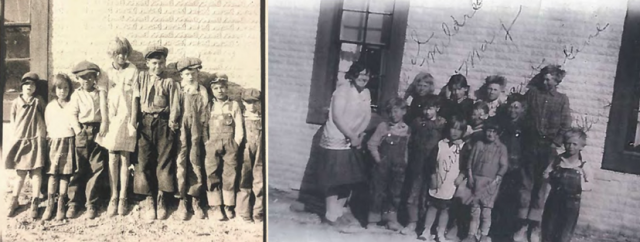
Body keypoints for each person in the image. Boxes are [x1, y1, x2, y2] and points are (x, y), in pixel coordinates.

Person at [515, 65, 572, 242]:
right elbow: (522, 116)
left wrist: (555, 144)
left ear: (557, 81)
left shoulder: (562, 100)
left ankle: (535, 227)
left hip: (548, 148)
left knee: (541, 188)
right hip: (530, 146)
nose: (545, 82)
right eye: (544, 78)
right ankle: (522, 226)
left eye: (549, 79)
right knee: (525, 186)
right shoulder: (532, 94)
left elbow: (565, 125)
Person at [317, 62, 372, 227]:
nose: (364, 78)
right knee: (335, 179)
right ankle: (330, 215)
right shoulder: (342, 91)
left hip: (353, 140)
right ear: (353, 74)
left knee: (349, 179)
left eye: (367, 75)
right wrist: (351, 136)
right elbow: (338, 117)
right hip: (337, 138)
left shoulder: (366, 92)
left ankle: (338, 212)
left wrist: (359, 136)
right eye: (361, 74)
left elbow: (367, 116)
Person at [133, 45, 180, 220]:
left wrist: (172, 125)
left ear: (165, 63)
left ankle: (162, 198)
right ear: (147, 63)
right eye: (154, 63)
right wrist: (135, 122)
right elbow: (135, 101)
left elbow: (175, 105)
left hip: (163, 123)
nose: (157, 67)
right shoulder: (142, 77)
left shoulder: (169, 82)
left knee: (164, 161)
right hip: (145, 122)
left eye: (160, 63)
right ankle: (148, 198)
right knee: (143, 160)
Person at [100, 36, 139, 217]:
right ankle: (113, 196)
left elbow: (135, 98)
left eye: (124, 53)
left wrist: (133, 121)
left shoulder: (133, 71)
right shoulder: (106, 73)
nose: (121, 57)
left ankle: (123, 196)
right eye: (118, 54)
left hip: (127, 118)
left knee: (125, 159)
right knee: (112, 158)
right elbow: (103, 98)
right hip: (112, 119)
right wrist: (105, 120)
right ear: (112, 55)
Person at [68, 61, 110, 219]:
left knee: (97, 167)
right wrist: (79, 131)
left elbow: (104, 111)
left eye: (90, 77)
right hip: (82, 131)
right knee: (79, 167)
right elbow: (72, 114)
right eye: (83, 78)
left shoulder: (100, 93)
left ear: (95, 78)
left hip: (97, 130)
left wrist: (102, 128)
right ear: (78, 79)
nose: (87, 80)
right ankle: (73, 202)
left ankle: (91, 202)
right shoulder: (76, 95)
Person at [417, 115, 468, 242]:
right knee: (432, 206)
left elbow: (466, 165)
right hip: (438, 180)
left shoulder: (463, 147)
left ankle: (440, 231)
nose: (455, 132)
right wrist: (433, 177)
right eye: (453, 128)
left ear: (463, 132)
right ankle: (427, 230)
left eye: (458, 130)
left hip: (452, 183)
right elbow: (431, 163)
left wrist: (461, 176)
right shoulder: (440, 144)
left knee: (445, 209)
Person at [401, 95, 446, 235]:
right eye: (424, 109)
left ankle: (426, 224)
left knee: (430, 195)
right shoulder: (417, 122)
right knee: (413, 193)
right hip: (417, 163)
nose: (426, 112)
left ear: (437, 108)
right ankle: (412, 222)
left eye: (430, 109)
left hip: (434, 165)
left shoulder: (442, 124)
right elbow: (409, 141)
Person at [5, 72, 47, 219]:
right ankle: (15, 199)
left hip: (36, 140)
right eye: (27, 84)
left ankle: (35, 200)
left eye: (33, 84)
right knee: (20, 173)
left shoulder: (39, 101)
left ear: (36, 87)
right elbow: (13, 120)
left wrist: (42, 134)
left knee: (36, 172)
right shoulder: (16, 102)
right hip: (22, 140)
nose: (30, 87)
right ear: (22, 87)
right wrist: (16, 138)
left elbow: (44, 116)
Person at [367, 97, 411, 231]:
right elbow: (371, 144)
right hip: (382, 167)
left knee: (395, 193)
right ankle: (372, 221)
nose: (393, 115)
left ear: (404, 112)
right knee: (378, 192)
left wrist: (405, 162)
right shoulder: (383, 126)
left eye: (397, 111)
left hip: (398, 168)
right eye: (391, 112)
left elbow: (407, 149)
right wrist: (378, 159)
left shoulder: (407, 129)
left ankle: (391, 220)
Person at [541, 128, 592, 242]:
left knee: (565, 231)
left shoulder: (583, 164)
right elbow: (545, 173)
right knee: (549, 227)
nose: (571, 147)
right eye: (568, 143)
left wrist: (579, 185)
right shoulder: (558, 160)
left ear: (582, 146)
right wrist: (550, 178)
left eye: (575, 144)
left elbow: (590, 183)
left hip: (571, 202)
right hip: (554, 199)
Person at [205, 74, 244, 221]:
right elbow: (204, 125)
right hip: (212, 144)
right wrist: (207, 142)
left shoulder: (233, 105)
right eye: (216, 88)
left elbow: (239, 126)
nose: (219, 90)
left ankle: (228, 205)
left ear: (226, 88)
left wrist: (236, 143)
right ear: (212, 90)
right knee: (212, 173)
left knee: (230, 174)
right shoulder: (209, 105)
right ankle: (216, 206)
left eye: (222, 87)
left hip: (229, 144)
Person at [462, 119, 508, 242]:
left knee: (486, 211)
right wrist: (470, 176)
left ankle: (483, 235)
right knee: (474, 210)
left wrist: (496, 179)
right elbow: (470, 162)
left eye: (494, 132)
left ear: (498, 134)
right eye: (489, 131)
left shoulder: (501, 148)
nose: (491, 134)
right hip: (476, 181)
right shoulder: (479, 144)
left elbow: (504, 166)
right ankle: (471, 235)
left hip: (490, 183)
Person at [175, 57, 209, 220]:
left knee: (195, 161)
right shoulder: (178, 90)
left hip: (196, 130)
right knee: (180, 162)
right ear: (181, 75)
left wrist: (204, 133)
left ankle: (195, 198)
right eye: (187, 74)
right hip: (180, 131)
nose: (190, 77)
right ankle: (182, 200)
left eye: (193, 73)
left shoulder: (201, 90)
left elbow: (204, 114)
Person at [492, 93, 527, 238]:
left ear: (522, 109)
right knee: (496, 198)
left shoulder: (525, 127)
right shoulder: (502, 124)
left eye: (516, 107)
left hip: (516, 167)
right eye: (511, 107)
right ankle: (493, 231)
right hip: (500, 165)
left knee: (511, 200)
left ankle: (507, 233)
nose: (513, 110)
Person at [42, 74, 76, 220]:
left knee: (65, 174)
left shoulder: (72, 105)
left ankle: (61, 204)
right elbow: (48, 124)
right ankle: (50, 205)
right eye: (59, 88)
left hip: (68, 141)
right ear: (54, 90)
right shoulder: (50, 107)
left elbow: (74, 123)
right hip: (54, 142)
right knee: (53, 174)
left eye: (66, 88)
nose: (63, 91)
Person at [237, 88, 265, 223]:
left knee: (259, 181)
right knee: (244, 180)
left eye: (255, 102)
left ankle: (258, 213)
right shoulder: (241, 117)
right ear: (243, 102)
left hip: (260, 152)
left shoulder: (262, 118)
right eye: (248, 102)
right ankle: (244, 212)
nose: (252, 106)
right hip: (245, 152)